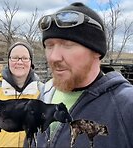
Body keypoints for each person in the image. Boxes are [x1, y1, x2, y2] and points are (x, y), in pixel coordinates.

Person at [34, 2, 133, 147]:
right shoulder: (44, 95)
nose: (54, 57)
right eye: (49, 45)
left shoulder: (126, 106)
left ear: (96, 51)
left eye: (67, 44)